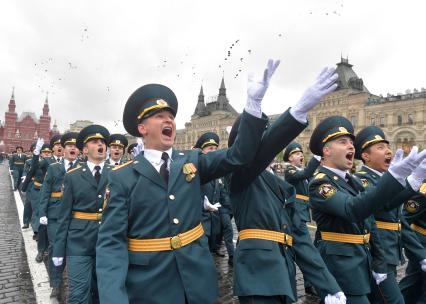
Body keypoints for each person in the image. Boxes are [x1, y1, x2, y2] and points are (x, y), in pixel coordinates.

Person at [96, 60, 277, 303]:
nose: (169, 120)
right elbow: (111, 244)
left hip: (197, 282)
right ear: (142, 128)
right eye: (160, 116)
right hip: (151, 286)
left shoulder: (193, 161)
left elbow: (239, 155)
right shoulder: (121, 176)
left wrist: (253, 108)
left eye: (171, 116)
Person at [228, 66, 346, 304]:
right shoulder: (238, 173)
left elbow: (300, 239)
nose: (267, 145)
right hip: (257, 276)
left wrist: (329, 286)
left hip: (284, 275)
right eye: (260, 139)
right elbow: (254, 154)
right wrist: (299, 110)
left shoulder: (283, 186)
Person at [308, 116, 426, 304]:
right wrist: (395, 177)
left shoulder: (352, 181)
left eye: (351, 142)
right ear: (326, 150)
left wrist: (378, 260)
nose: (351, 147)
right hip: (341, 266)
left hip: (363, 260)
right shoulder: (321, 183)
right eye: (343, 142)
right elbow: (352, 209)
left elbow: (374, 218)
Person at [52, 125, 112, 304]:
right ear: (85, 150)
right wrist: (58, 249)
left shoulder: (117, 174)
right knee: (78, 294)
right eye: (94, 142)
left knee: (102, 292)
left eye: (102, 142)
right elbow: (64, 216)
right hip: (78, 242)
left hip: (109, 241)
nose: (100, 144)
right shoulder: (73, 176)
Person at [39, 132, 79, 298]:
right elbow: (45, 191)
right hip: (55, 214)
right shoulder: (54, 167)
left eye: (75, 146)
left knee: (75, 250)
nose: (72, 148)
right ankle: (56, 284)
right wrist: (42, 212)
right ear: (63, 149)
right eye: (69, 145)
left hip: (76, 215)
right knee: (57, 247)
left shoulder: (83, 168)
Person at [283, 142, 321, 296]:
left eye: (301, 153)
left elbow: (310, 181)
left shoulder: (302, 172)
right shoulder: (290, 170)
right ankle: (307, 283)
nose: (301, 156)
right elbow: (304, 175)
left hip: (303, 212)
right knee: (305, 249)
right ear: (290, 158)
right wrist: (317, 157)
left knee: (302, 249)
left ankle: (307, 283)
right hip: (295, 214)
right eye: (297, 153)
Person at [194, 132, 235, 265]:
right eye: (210, 149)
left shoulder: (218, 171)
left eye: (215, 149)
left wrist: (228, 210)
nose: (213, 152)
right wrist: (202, 205)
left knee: (218, 237)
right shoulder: (194, 169)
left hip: (217, 215)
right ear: (202, 151)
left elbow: (223, 192)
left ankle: (225, 254)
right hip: (201, 218)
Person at [399, 185, 426, 303]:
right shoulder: (424, 191)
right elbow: (402, 220)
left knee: (414, 283)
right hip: (422, 243)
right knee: (413, 284)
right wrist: (419, 252)